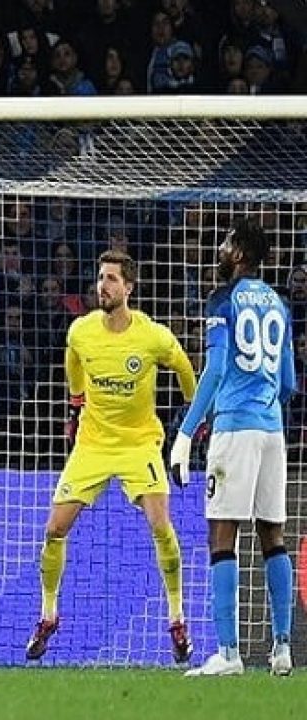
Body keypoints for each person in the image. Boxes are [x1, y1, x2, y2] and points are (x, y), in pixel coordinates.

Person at [27, 249, 197, 664]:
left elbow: (183, 365)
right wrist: (76, 403)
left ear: (129, 288)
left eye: (111, 279)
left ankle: (177, 619)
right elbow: (73, 358)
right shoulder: (81, 331)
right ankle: (48, 615)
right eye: (100, 277)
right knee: (54, 529)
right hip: (93, 444)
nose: (102, 286)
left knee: (161, 526)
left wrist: (194, 418)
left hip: (139, 444)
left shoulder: (152, 335)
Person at [172, 219, 297, 676]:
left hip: (235, 428)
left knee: (222, 535)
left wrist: (186, 432)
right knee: (272, 536)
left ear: (240, 253)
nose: (220, 250)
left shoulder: (222, 300)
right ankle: (282, 649)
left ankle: (228, 653)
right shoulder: (280, 304)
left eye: (226, 243)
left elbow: (217, 368)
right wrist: (264, 401)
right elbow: (289, 382)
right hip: (272, 430)